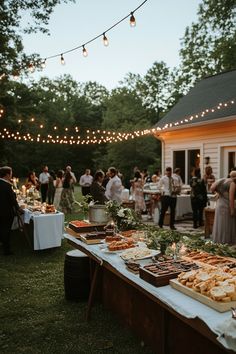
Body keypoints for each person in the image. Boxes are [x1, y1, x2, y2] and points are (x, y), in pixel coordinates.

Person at [211, 171, 236, 245]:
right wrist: (232, 210)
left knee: (219, 223)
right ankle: (226, 242)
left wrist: (218, 193)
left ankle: (218, 241)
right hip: (226, 205)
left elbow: (212, 188)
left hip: (219, 204)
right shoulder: (232, 183)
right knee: (227, 224)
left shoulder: (221, 180)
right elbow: (231, 198)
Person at [0, 166, 21, 255]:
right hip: (6, 211)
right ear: (7, 174)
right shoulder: (7, 185)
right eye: (11, 173)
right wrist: (18, 209)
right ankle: (6, 250)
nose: (12, 175)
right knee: (6, 230)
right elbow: (12, 200)